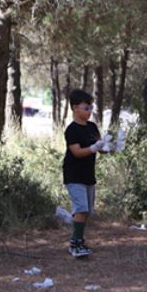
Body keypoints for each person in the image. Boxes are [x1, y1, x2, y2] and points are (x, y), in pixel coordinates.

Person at [62, 88, 113, 258]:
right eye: (86, 108)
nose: (89, 111)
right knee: (81, 207)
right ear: (75, 108)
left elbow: (101, 148)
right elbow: (76, 152)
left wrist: (108, 146)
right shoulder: (72, 130)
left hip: (88, 175)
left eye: (91, 108)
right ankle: (75, 244)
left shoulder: (92, 127)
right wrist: (93, 148)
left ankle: (79, 239)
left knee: (86, 210)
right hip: (73, 174)